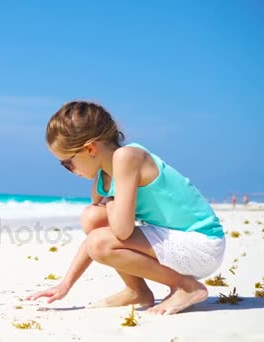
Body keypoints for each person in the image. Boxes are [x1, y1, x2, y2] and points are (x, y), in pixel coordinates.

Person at [26, 101, 226, 315]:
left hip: (202, 244)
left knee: (99, 238)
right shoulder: (108, 171)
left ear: (90, 148)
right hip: (176, 239)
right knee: (92, 217)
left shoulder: (127, 157)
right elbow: (97, 226)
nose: (70, 170)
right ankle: (137, 290)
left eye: (68, 163)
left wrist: (110, 201)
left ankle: (188, 287)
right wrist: (65, 284)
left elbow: (121, 231)